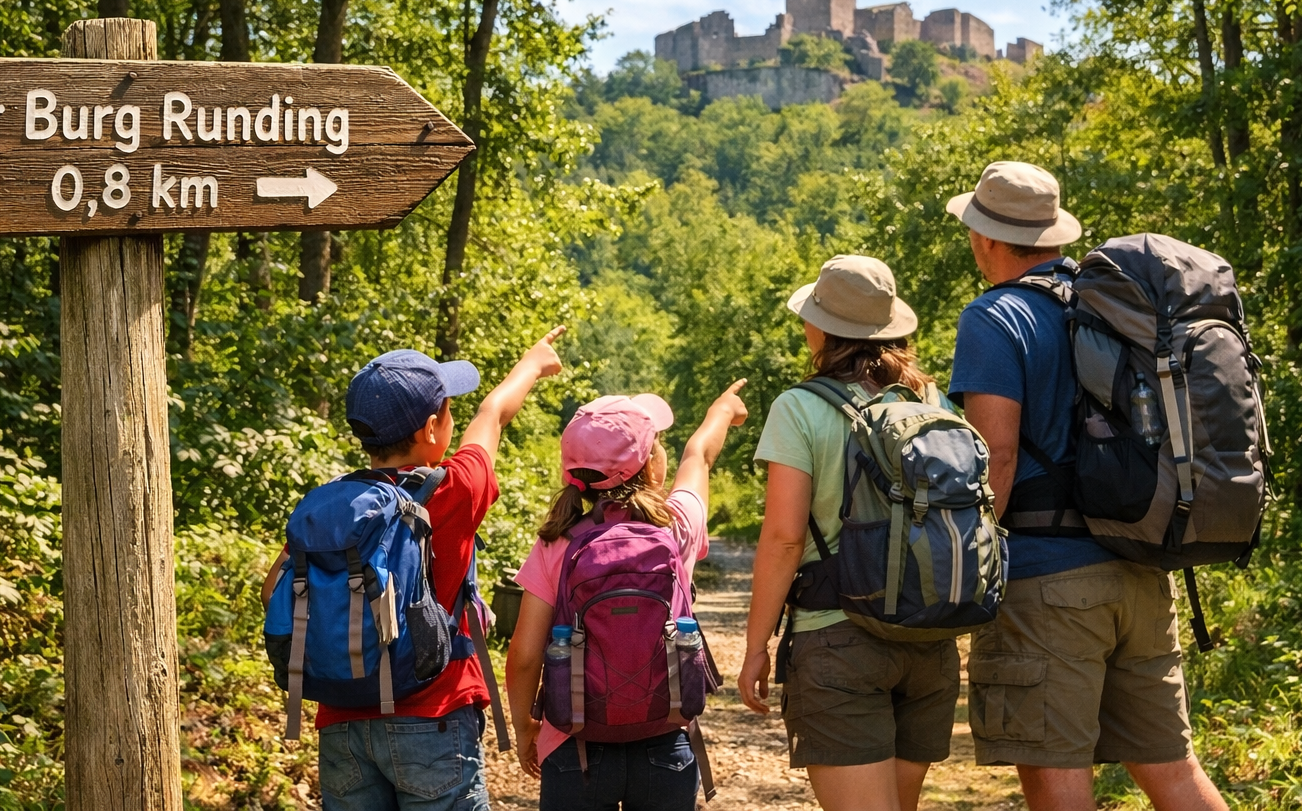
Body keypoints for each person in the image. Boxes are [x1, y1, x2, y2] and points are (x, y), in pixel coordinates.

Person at [946, 161, 1228, 811]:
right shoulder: (1117, 302)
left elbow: (998, 455)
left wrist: (967, 575)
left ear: (986, 238)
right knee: (1175, 772)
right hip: (1141, 571)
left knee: (1056, 780)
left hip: (1047, 583)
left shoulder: (996, 318)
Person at [262, 329, 566, 811]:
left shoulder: (336, 507)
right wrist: (530, 364)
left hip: (342, 724)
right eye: (448, 409)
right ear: (431, 428)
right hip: (434, 718)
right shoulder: (457, 489)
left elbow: (273, 589)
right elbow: (492, 417)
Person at [738, 255, 959, 811]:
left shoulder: (799, 408)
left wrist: (756, 644)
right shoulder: (934, 402)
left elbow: (784, 539)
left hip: (838, 638)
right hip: (929, 639)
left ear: (823, 330)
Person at [505, 381, 750, 810]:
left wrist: (525, 726)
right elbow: (700, 456)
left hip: (573, 741)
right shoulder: (676, 527)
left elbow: (524, 655)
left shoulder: (555, 543)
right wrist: (723, 409)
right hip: (665, 738)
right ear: (652, 465)